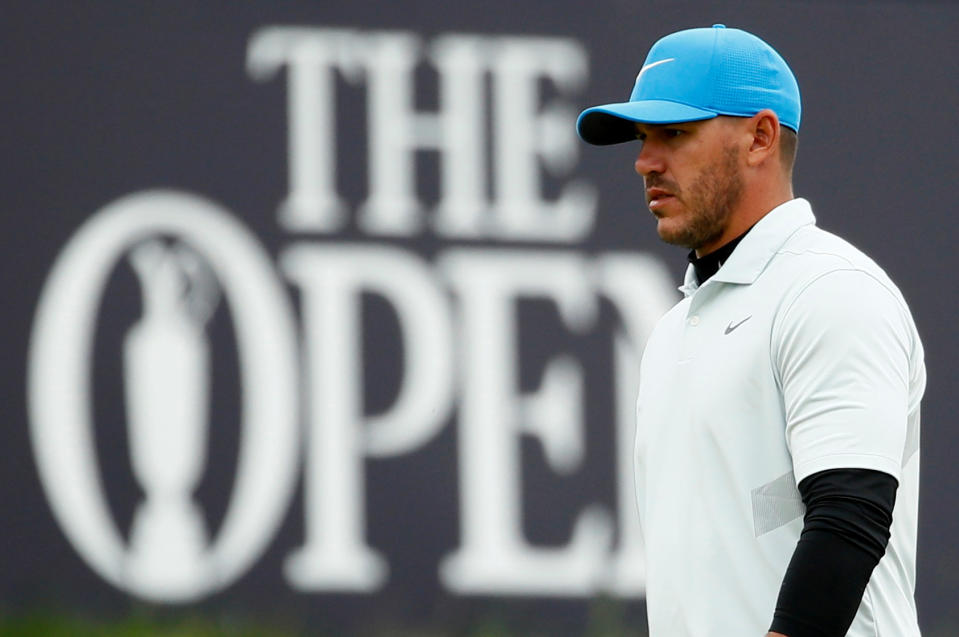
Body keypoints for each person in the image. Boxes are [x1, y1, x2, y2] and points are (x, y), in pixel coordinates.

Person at [577, 25, 925, 637]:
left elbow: (850, 518)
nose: (644, 162)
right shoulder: (672, 332)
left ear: (760, 137)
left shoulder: (830, 289)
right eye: (641, 138)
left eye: (674, 134)